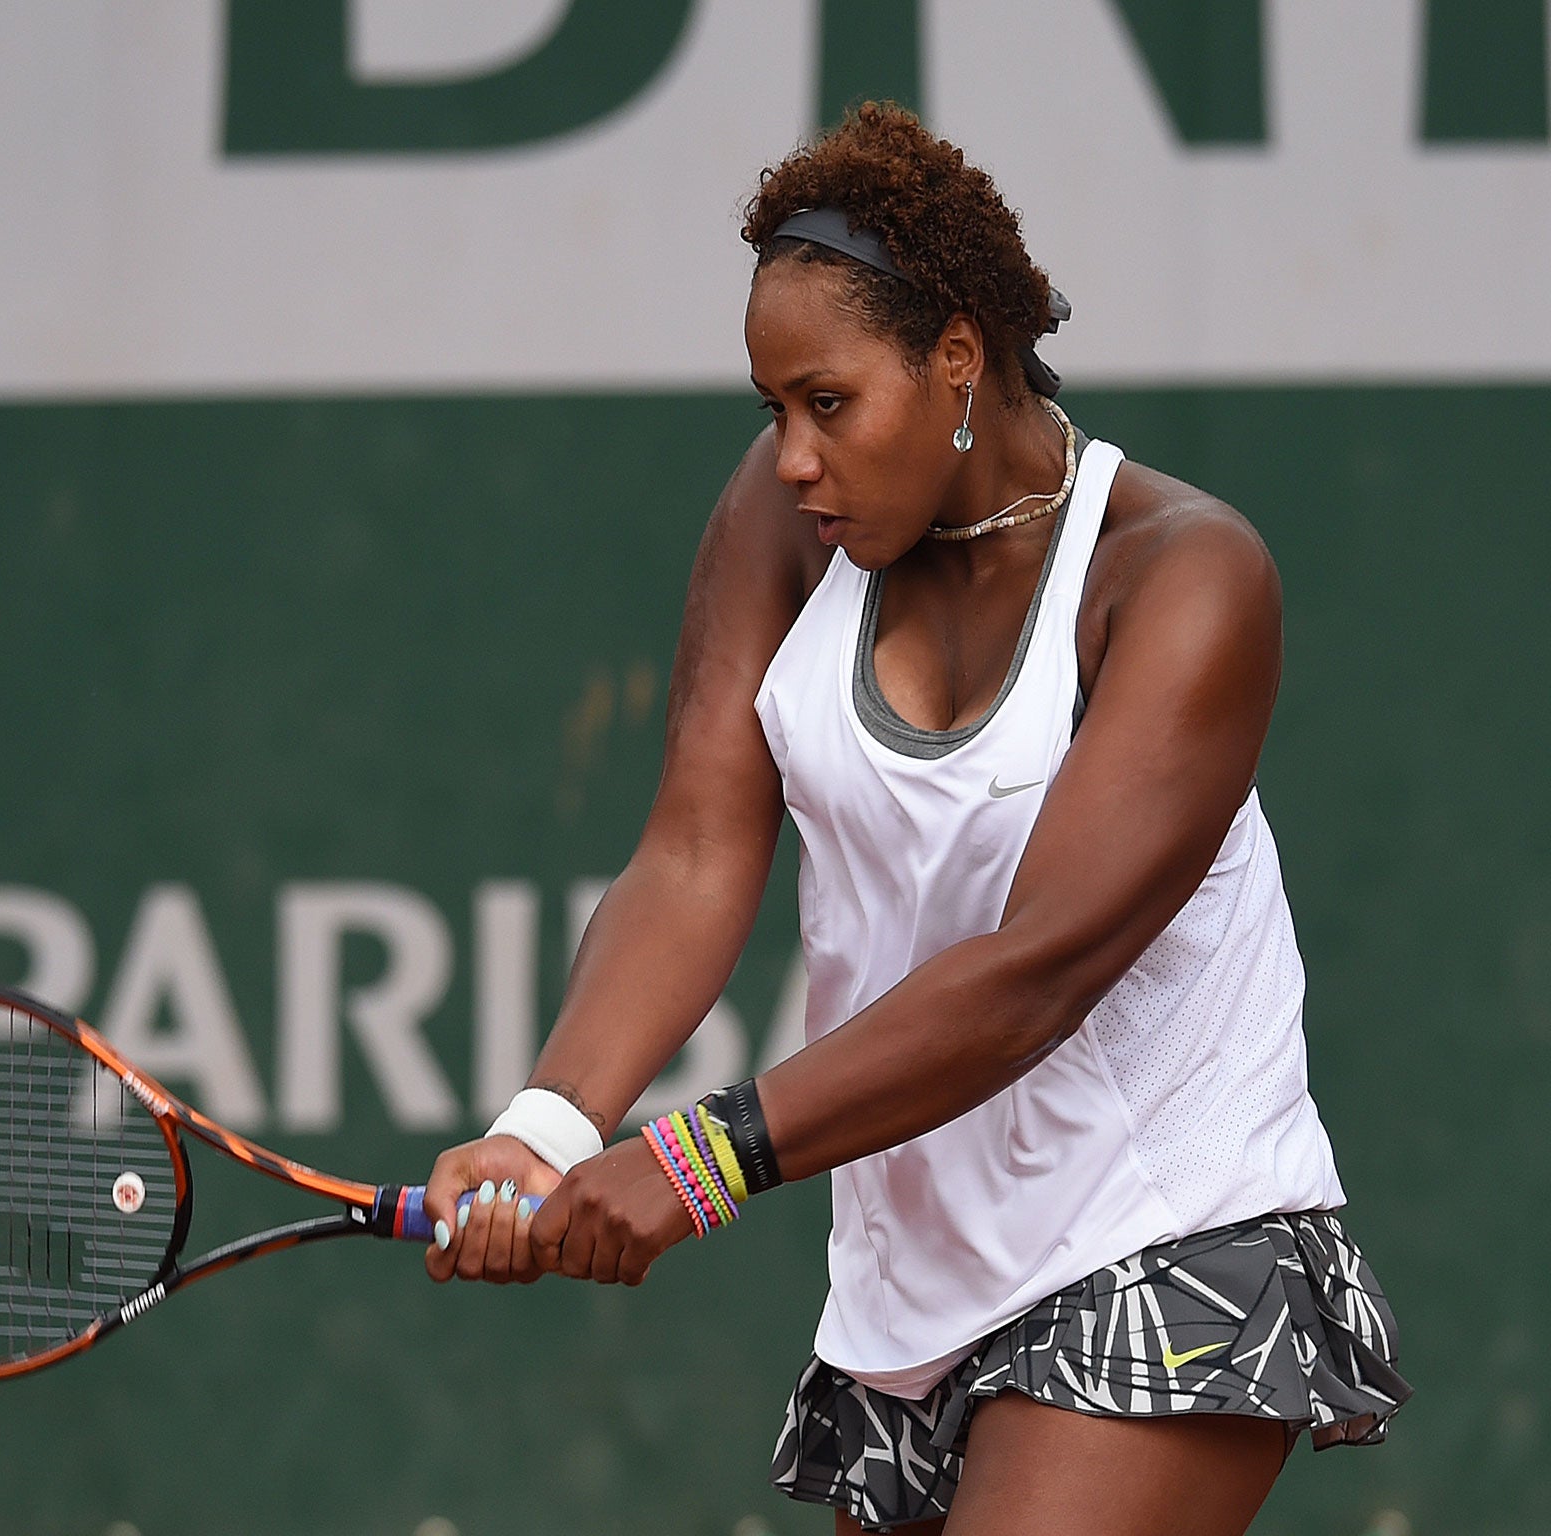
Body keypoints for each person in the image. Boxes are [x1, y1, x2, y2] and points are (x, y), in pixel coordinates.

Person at [420, 102, 1409, 1534]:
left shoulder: (1185, 578)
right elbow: (696, 852)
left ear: (957, 358)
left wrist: (698, 1161)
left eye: (830, 403)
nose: (794, 454)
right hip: (911, 1284)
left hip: (1167, 1229)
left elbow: (1037, 975)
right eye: (774, 412)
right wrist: (551, 1124)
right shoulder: (781, 521)